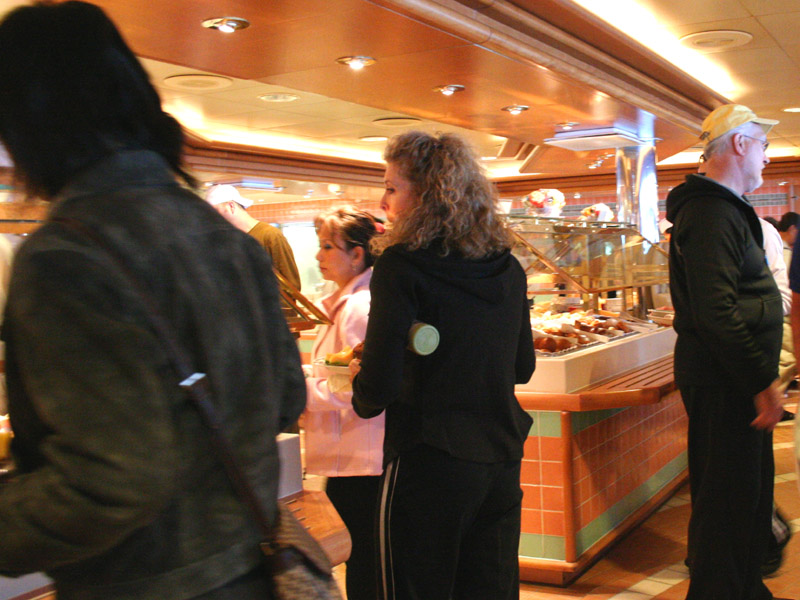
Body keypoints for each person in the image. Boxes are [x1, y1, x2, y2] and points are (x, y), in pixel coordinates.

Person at [0, 3, 306, 599]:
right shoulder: (224, 236)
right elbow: (285, 398)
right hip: (254, 571)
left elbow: (110, 481)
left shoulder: (67, 257)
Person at [351, 131, 536, 600]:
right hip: (500, 457)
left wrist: (359, 382)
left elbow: (376, 390)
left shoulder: (400, 266)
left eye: (392, 187)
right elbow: (522, 367)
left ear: (425, 195)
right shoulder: (508, 268)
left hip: (428, 457)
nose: (383, 201)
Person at [666, 104, 786, 600]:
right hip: (725, 382)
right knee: (728, 502)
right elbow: (716, 312)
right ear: (739, 144)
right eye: (763, 145)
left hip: (732, 379)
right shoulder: (710, 212)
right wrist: (761, 383)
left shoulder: (722, 209)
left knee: (744, 499)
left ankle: (745, 588)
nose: (767, 157)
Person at [304, 206, 384, 600]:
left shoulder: (357, 307)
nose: (318, 256)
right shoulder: (342, 302)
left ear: (357, 253)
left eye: (327, 247)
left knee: (363, 557)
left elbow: (354, 386)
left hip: (359, 456)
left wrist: (300, 390)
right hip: (349, 455)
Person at [206, 184, 302, 290]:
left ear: (231, 206)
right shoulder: (226, 241)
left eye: (215, 212)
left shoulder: (270, 236)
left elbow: (291, 286)